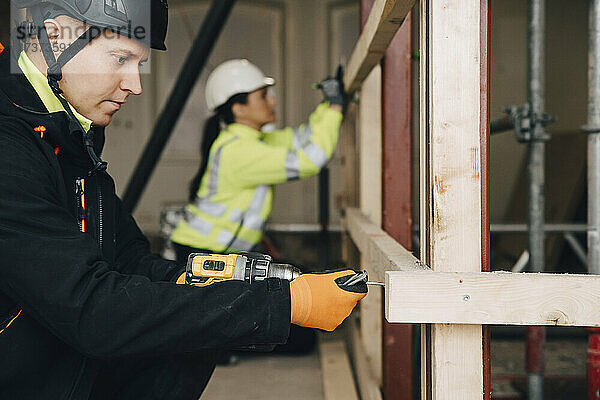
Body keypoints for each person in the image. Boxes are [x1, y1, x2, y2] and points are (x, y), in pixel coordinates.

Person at [0, 0, 367, 398]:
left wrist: (233, 282)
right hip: (27, 371)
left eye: (138, 63)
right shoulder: (10, 144)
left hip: (63, 355)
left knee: (192, 336)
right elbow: (94, 311)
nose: (135, 85)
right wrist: (283, 305)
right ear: (57, 35)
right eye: (121, 58)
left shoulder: (69, 132)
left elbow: (130, 261)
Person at [170, 59, 344, 264]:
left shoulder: (250, 141)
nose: (273, 101)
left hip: (213, 250)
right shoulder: (240, 151)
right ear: (239, 109)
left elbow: (303, 138)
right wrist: (335, 106)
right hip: (204, 252)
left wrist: (328, 105)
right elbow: (310, 161)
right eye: (263, 96)